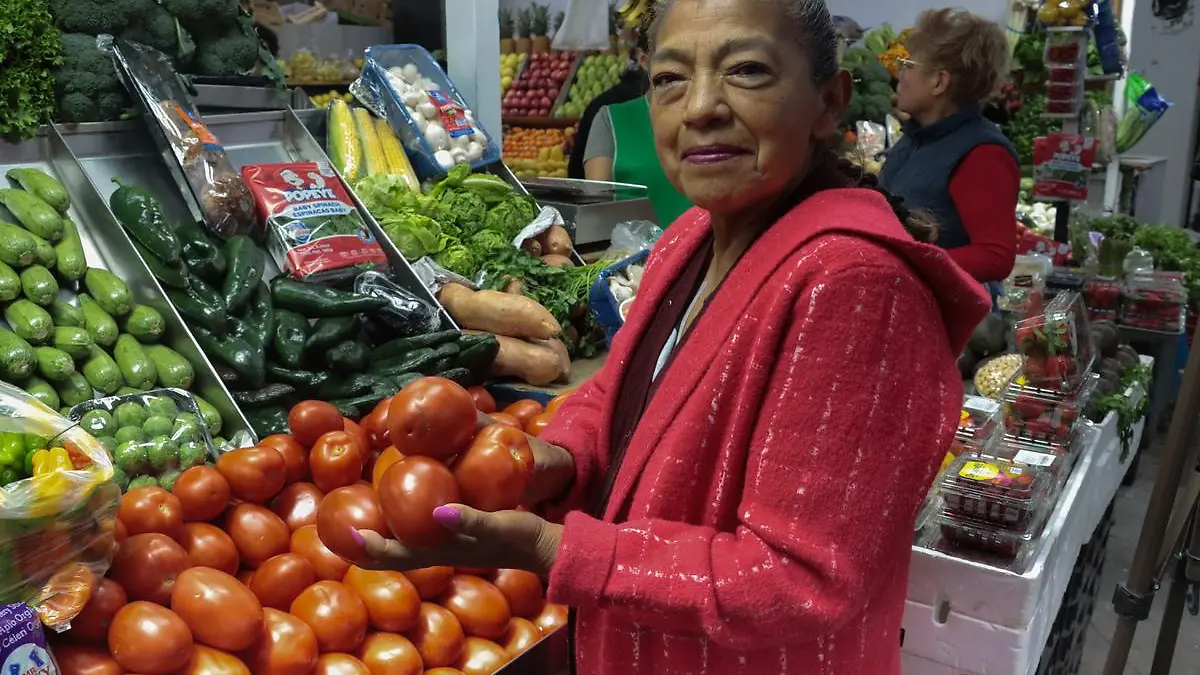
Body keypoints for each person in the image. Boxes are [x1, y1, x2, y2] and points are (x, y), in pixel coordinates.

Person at [357, 0, 990, 673]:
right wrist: (554, 459)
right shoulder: (691, 236)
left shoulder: (859, 287)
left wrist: (552, 548)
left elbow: (800, 577)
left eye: (746, 70)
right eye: (670, 78)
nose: (701, 107)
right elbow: (622, 389)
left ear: (828, 102)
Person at [882, 8, 1020, 286]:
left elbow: (995, 256)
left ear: (939, 82)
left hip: (944, 318)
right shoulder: (916, 137)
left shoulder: (982, 154)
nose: (900, 75)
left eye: (908, 65)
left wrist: (906, 265)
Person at [577, 9, 693, 226]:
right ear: (643, 60)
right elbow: (595, 208)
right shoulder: (610, 120)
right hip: (633, 255)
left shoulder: (705, 115)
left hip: (707, 252)